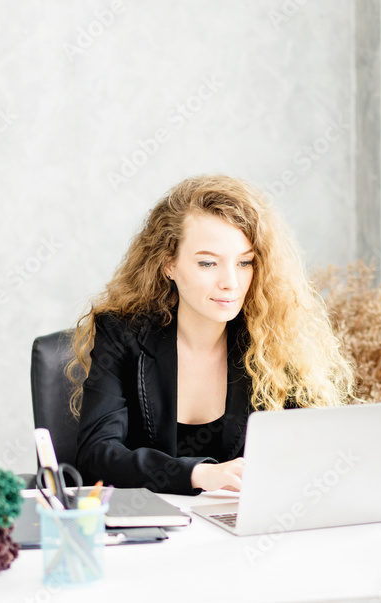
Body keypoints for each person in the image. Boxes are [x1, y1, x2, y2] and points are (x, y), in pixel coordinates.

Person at [68, 174, 354, 495]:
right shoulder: (122, 334)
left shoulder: (273, 336)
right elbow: (96, 457)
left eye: (244, 262)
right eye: (208, 263)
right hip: (153, 533)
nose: (230, 282)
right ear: (168, 265)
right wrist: (198, 474)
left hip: (246, 527)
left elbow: (314, 451)